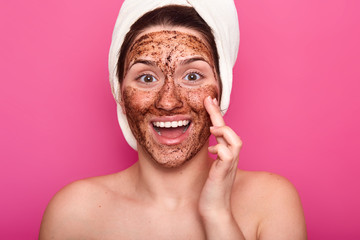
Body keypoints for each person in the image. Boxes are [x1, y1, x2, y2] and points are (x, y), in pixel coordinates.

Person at [39, 0, 307, 239]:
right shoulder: (73, 213)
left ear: (222, 88)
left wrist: (217, 215)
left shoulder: (273, 202)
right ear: (119, 93)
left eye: (192, 76)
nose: (168, 102)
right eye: (147, 78)